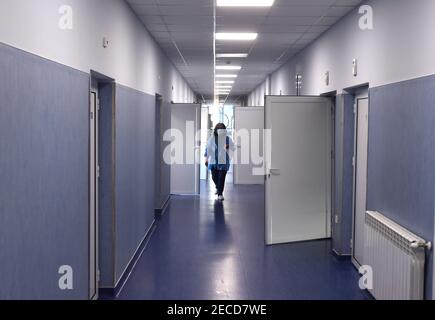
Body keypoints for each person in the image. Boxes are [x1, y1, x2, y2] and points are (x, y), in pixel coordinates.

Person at [204, 123, 235, 201]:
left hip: (224, 162)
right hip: (213, 161)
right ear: (216, 131)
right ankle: (218, 187)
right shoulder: (212, 139)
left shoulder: (227, 139)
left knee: (221, 178)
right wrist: (206, 159)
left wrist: (228, 147)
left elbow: (233, 147)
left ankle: (220, 194)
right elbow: (208, 149)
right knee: (214, 177)